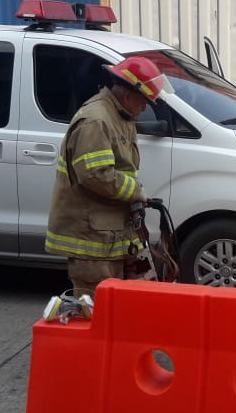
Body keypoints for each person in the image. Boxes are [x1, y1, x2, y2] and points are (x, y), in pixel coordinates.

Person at [45, 56, 167, 295]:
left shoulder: (119, 115)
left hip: (107, 235)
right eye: (144, 102)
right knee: (96, 310)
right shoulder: (96, 120)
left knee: (114, 310)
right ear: (127, 94)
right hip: (91, 241)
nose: (144, 109)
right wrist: (135, 191)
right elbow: (95, 175)